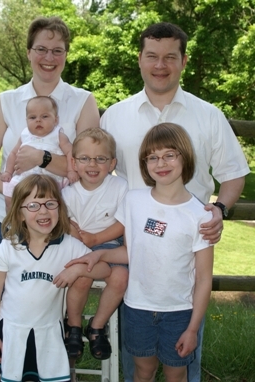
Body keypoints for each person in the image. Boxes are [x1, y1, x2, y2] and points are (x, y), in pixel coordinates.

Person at [100, 22, 250, 382]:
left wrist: (220, 209)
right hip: (132, 242)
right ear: (140, 60)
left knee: (181, 355)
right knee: (137, 356)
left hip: (185, 247)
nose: (160, 64)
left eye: (170, 57)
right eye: (152, 56)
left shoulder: (208, 115)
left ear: (183, 61)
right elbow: (96, 171)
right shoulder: (114, 116)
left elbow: (234, 173)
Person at [65, 122, 214, 382]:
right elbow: (131, 252)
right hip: (137, 309)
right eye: (153, 157)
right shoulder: (133, 201)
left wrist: (193, 329)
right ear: (145, 163)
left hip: (179, 312)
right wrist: (99, 254)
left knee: (175, 374)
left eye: (170, 154)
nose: (161, 163)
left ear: (185, 157)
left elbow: (203, 279)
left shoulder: (200, 216)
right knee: (142, 372)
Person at [0, 174, 111, 382]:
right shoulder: (9, 247)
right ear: (19, 213)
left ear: (59, 209)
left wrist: (78, 270)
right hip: (11, 330)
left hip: (48, 332)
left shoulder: (68, 245)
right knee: (7, 376)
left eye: (50, 204)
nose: (43, 211)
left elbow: (104, 269)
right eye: (33, 205)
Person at [0, 15, 100, 253]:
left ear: (66, 55)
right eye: (41, 49)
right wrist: (20, 196)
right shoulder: (6, 101)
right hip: (10, 219)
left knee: (54, 290)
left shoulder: (83, 101)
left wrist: (42, 158)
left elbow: (88, 168)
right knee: (8, 290)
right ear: (29, 53)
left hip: (60, 221)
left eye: (57, 51)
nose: (49, 58)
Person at [61, 127, 129, 360]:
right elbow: (66, 221)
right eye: (85, 159)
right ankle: (73, 325)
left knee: (121, 277)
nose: (93, 165)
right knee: (81, 278)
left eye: (101, 159)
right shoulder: (68, 194)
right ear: (74, 162)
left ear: (112, 164)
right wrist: (81, 240)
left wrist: (97, 239)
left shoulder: (120, 187)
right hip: (77, 246)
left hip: (109, 244)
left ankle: (97, 326)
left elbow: (123, 222)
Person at [1, 96, 78, 213]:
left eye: (45, 116)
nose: (38, 120)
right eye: (32, 117)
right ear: (26, 120)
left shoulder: (58, 135)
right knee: (9, 196)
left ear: (55, 120)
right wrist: (8, 171)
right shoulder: (25, 135)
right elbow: (13, 153)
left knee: (52, 205)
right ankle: (13, 222)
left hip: (49, 180)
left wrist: (71, 170)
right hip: (23, 178)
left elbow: (70, 152)